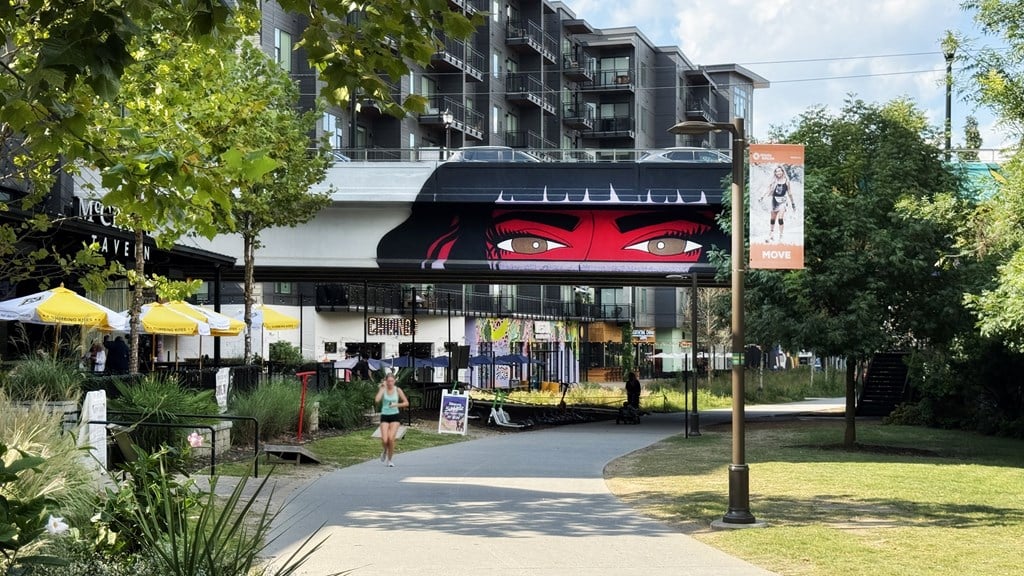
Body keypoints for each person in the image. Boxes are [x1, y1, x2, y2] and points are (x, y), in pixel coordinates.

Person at [374, 373, 409, 467]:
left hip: (395, 416)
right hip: (385, 415)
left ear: (394, 381)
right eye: (388, 381)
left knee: (391, 438)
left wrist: (396, 405)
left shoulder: (398, 390)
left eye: (392, 381)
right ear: (386, 381)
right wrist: (382, 388)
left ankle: (390, 460)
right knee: (385, 440)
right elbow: (377, 400)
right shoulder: (383, 389)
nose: (390, 383)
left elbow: (406, 403)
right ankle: (385, 450)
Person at [760, 165, 796, 243]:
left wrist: (793, 203)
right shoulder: (773, 181)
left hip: (783, 201)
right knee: (773, 218)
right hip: (774, 200)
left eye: (780, 171)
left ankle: (781, 235)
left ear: (783, 172)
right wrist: (762, 197)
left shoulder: (786, 181)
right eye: (776, 171)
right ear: (775, 173)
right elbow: (767, 189)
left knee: (780, 218)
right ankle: (771, 234)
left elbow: (789, 192)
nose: (778, 173)